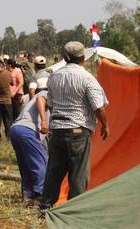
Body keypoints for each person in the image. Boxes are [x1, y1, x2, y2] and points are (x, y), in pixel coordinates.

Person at [39, 41, 110, 211]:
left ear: (64, 58)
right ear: (83, 58)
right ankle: (74, 210)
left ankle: (45, 207)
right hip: (78, 132)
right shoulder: (87, 78)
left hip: (57, 131)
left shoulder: (54, 77)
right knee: (78, 174)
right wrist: (105, 125)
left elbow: (51, 103)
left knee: (54, 172)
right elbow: (99, 107)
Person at [10, 80, 50, 202]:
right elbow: (41, 99)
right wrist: (44, 121)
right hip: (28, 130)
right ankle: (39, 194)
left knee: (26, 165)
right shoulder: (45, 93)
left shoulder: (33, 99)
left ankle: (28, 194)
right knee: (41, 163)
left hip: (16, 129)